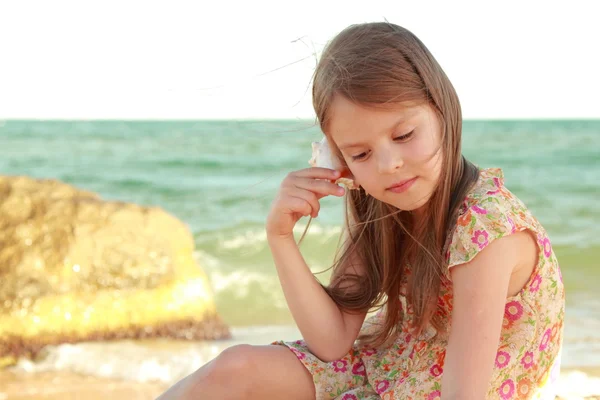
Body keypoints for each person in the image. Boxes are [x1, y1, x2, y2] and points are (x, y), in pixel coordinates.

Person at [157, 21, 565, 400]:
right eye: (361, 153)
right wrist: (280, 237)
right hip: (389, 366)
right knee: (235, 367)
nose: (388, 165)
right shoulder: (379, 202)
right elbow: (332, 342)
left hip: (442, 390)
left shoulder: (487, 231)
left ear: (442, 110)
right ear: (339, 158)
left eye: (404, 134)